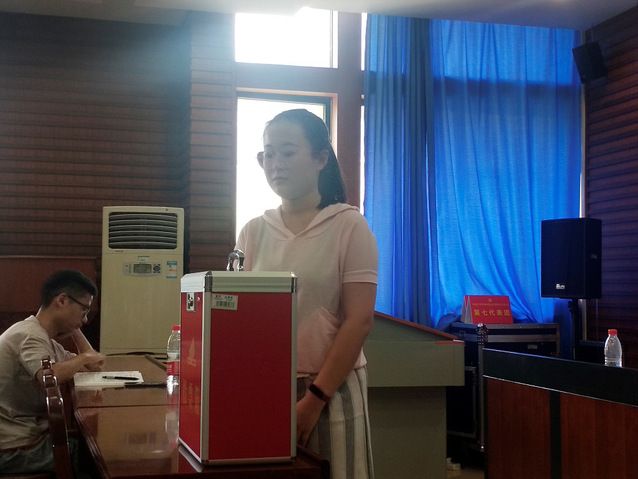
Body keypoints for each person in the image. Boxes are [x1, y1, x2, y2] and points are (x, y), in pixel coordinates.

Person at [236, 109, 378, 479]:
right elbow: (237, 317)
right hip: (266, 387)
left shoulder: (349, 225)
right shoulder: (253, 231)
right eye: (268, 154)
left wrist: (315, 399)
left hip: (332, 390)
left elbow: (359, 320)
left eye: (287, 152)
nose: (275, 164)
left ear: (320, 158)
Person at [0, 269, 105, 473]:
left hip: (24, 439)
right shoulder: (30, 335)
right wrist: (84, 357)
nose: (85, 319)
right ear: (62, 301)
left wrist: (75, 329)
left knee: (88, 446)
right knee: (93, 455)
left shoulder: (44, 338)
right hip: (11, 449)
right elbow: (50, 376)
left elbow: (94, 366)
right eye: (84, 310)